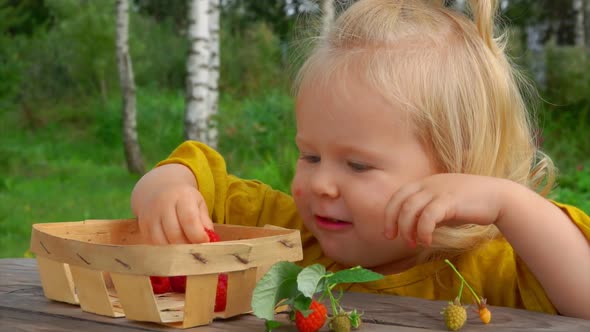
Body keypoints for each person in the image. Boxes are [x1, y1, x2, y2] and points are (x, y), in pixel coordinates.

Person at [130, 0, 590, 319]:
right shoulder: (290, 238)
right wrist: (167, 188)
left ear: (457, 171)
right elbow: (201, 176)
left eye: (357, 166)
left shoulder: (492, 268)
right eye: (310, 155)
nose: (321, 185)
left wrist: (509, 203)